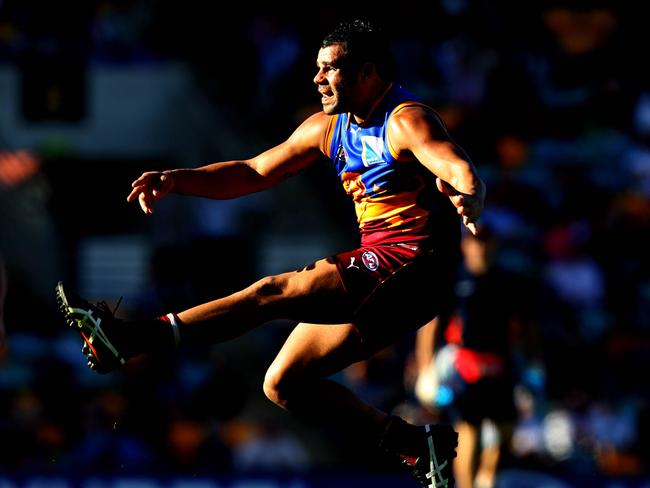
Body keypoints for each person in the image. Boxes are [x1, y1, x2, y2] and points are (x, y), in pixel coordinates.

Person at [56, 19, 485, 488]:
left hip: (413, 267)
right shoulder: (326, 128)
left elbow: (453, 163)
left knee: (272, 292)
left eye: (330, 69)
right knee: (283, 384)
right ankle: (416, 444)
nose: (318, 79)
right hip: (386, 276)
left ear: (367, 73)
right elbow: (254, 171)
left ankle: (135, 338)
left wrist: (469, 191)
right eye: (317, 69)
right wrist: (178, 179)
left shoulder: (404, 119)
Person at [413, 227, 544, 488]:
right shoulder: (455, 280)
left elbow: (527, 327)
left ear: (494, 245)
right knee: (469, 429)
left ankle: (487, 478)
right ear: (465, 246)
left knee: (506, 431)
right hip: (465, 366)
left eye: (485, 242)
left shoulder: (510, 282)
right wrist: (426, 367)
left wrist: (533, 363)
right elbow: (431, 326)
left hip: (500, 364)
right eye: (475, 242)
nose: (480, 248)